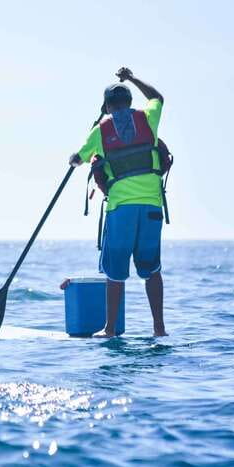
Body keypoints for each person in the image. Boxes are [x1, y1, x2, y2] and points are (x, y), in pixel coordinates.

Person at [68, 67, 168, 337]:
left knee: (115, 272)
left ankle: (110, 329)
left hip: (120, 209)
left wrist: (74, 158)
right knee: (152, 269)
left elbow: (79, 159)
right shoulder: (148, 119)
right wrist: (133, 78)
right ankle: (159, 329)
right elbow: (158, 96)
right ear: (130, 102)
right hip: (151, 208)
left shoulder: (101, 131)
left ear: (108, 107)